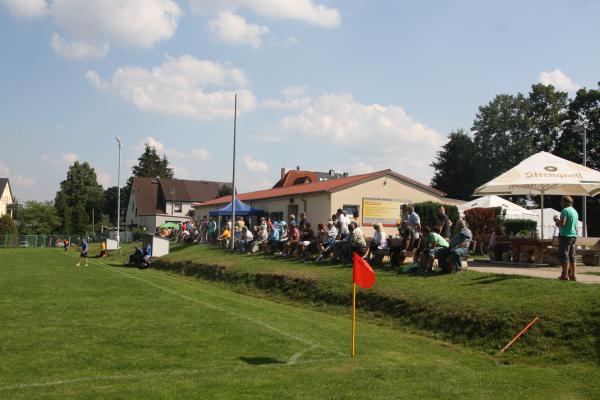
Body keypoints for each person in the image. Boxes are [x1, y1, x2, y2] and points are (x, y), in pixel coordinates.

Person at [554, 195, 579, 281]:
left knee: (563, 255)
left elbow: (563, 223)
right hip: (573, 236)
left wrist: (556, 220)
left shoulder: (564, 211)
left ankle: (564, 275)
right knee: (572, 256)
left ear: (565, 202)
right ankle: (573, 275)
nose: (561, 203)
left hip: (565, 236)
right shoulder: (575, 211)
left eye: (561, 201)